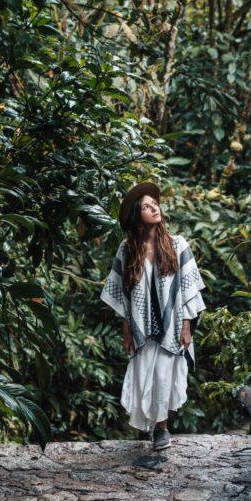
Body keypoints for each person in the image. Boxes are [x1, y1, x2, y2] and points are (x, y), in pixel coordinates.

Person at [99, 181, 206, 451]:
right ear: (138, 215)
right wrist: (126, 330)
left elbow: (188, 290)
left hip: (171, 326)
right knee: (143, 374)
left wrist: (186, 327)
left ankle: (162, 430)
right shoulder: (127, 249)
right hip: (141, 325)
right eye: (146, 206)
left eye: (155, 204)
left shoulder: (177, 245)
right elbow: (122, 293)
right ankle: (146, 426)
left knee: (164, 376)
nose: (154, 208)